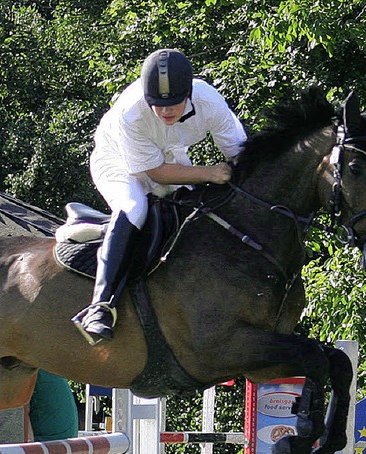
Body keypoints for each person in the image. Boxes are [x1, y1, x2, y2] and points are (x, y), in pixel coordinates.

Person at [72, 48, 247, 344]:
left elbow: (240, 154)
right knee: (134, 206)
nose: (166, 111)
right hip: (118, 161)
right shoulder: (132, 111)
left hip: (170, 158)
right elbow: (156, 174)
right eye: (157, 104)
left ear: (189, 93)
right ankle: (100, 307)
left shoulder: (210, 102)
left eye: (174, 104)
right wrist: (210, 173)